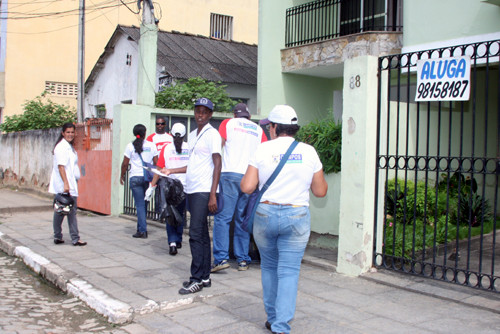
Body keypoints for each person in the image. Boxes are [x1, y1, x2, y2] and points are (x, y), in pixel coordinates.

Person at [240, 105, 328, 334]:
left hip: (265, 216)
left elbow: (247, 187)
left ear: (275, 127)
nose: (269, 129)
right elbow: (320, 192)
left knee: (268, 266)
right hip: (296, 216)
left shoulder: (262, 150)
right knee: (289, 271)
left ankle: (272, 317)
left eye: (270, 125)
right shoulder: (309, 152)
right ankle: (281, 326)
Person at [160, 97, 222, 295]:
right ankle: (204, 276)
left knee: (195, 233)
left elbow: (218, 163)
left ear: (210, 114)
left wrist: (213, 194)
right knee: (202, 234)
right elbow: (193, 165)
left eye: (205, 111)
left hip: (204, 190)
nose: (200, 114)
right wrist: (172, 170)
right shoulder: (194, 135)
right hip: (192, 189)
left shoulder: (213, 134)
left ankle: (195, 279)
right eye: (198, 111)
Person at [212, 103, 267, 272]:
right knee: (242, 219)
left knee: (223, 218)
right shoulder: (258, 130)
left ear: (235, 115)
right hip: (249, 177)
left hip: (229, 175)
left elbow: (218, 147)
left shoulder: (227, 123)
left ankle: (221, 259)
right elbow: (263, 154)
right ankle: (243, 259)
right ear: (249, 117)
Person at [146, 123, 189, 256]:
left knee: (170, 214)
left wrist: (151, 186)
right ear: (184, 134)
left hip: (169, 187)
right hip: (185, 186)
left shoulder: (166, 148)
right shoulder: (189, 147)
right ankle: (179, 238)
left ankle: (172, 242)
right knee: (180, 214)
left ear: (170, 133)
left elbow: (159, 169)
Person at [48, 122, 87, 246]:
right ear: (63, 133)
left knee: (61, 211)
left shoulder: (69, 146)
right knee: (69, 211)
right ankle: (75, 238)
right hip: (65, 186)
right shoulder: (61, 147)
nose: (70, 134)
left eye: (72, 132)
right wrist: (66, 184)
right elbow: (61, 167)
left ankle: (58, 236)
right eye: (68, 132)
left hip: (70, 184)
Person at [120, 124, 158, 239]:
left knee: (140, 205)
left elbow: (125, 163)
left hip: (135, 177)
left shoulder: (130, 146)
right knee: (144, 204)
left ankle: (142, 230)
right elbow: (157, 162)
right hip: (147, 178)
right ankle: (140, 227)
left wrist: (121, 175)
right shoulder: (151, 145)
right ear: (145, 133)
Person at [146, 116, 173, 220]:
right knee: (157, 192)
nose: (160, 126)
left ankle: (168, 213)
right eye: (158, 124)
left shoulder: (170, 137)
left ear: (165, 125)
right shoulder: (151, 138)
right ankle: (158, 213)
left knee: (168, 192)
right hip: (157, 168)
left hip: (168, 169)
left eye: (162, 124)